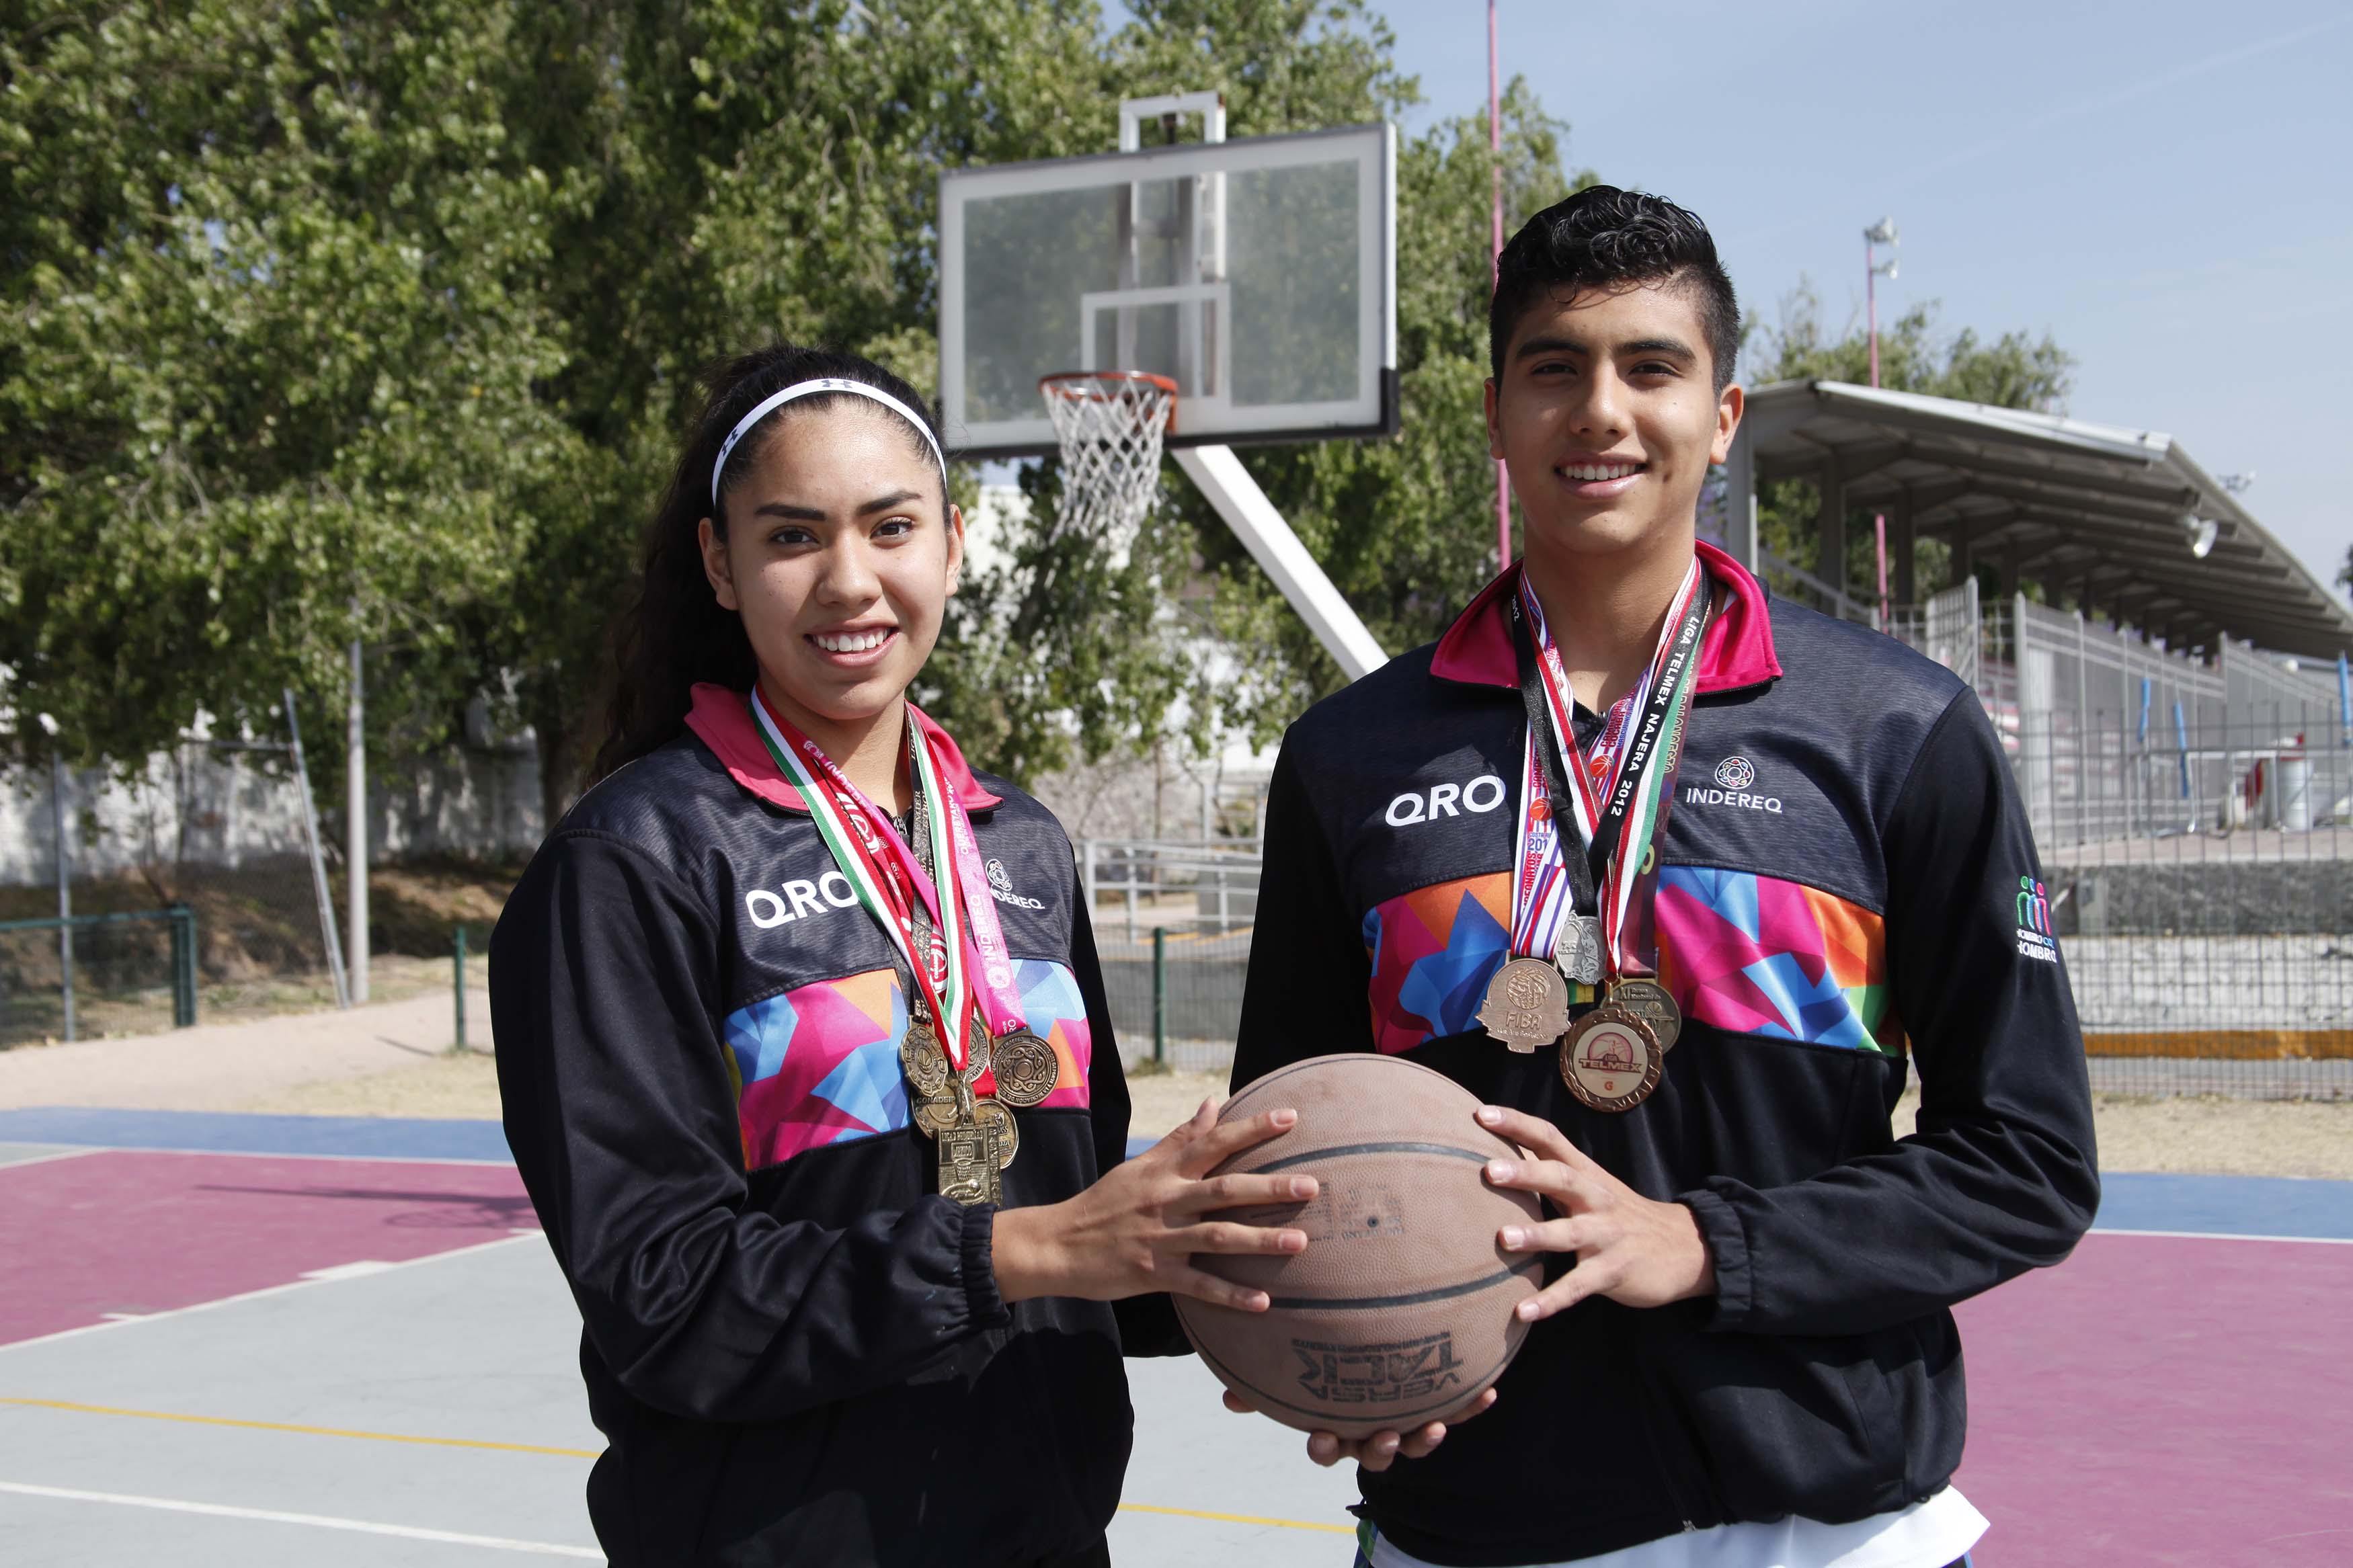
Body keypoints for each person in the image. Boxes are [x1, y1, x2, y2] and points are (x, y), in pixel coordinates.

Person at [1228, 188, 2098, 1567]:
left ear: (1725, 414)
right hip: (1478, 1518)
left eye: (1650, 366)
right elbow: (1284, 1153)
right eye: (1555, 368)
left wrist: (1707, 1246)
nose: (1601, 413)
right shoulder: (1350, 757)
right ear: (1499, 413)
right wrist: (1330, 1344)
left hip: (1830, 1518)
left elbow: (2029, 1162)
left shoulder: (1893, 731)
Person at [491, 344, 1317, 1567]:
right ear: (720, 564)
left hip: (1043, 1533)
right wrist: (1023, 1251)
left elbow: (1071, 1222)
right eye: (790, 537)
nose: (849, 580)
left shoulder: (1022, 845)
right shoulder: (636, 862)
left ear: (953, 542)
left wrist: (1282, 1289)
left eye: (890, 527)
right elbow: (665, 1297)